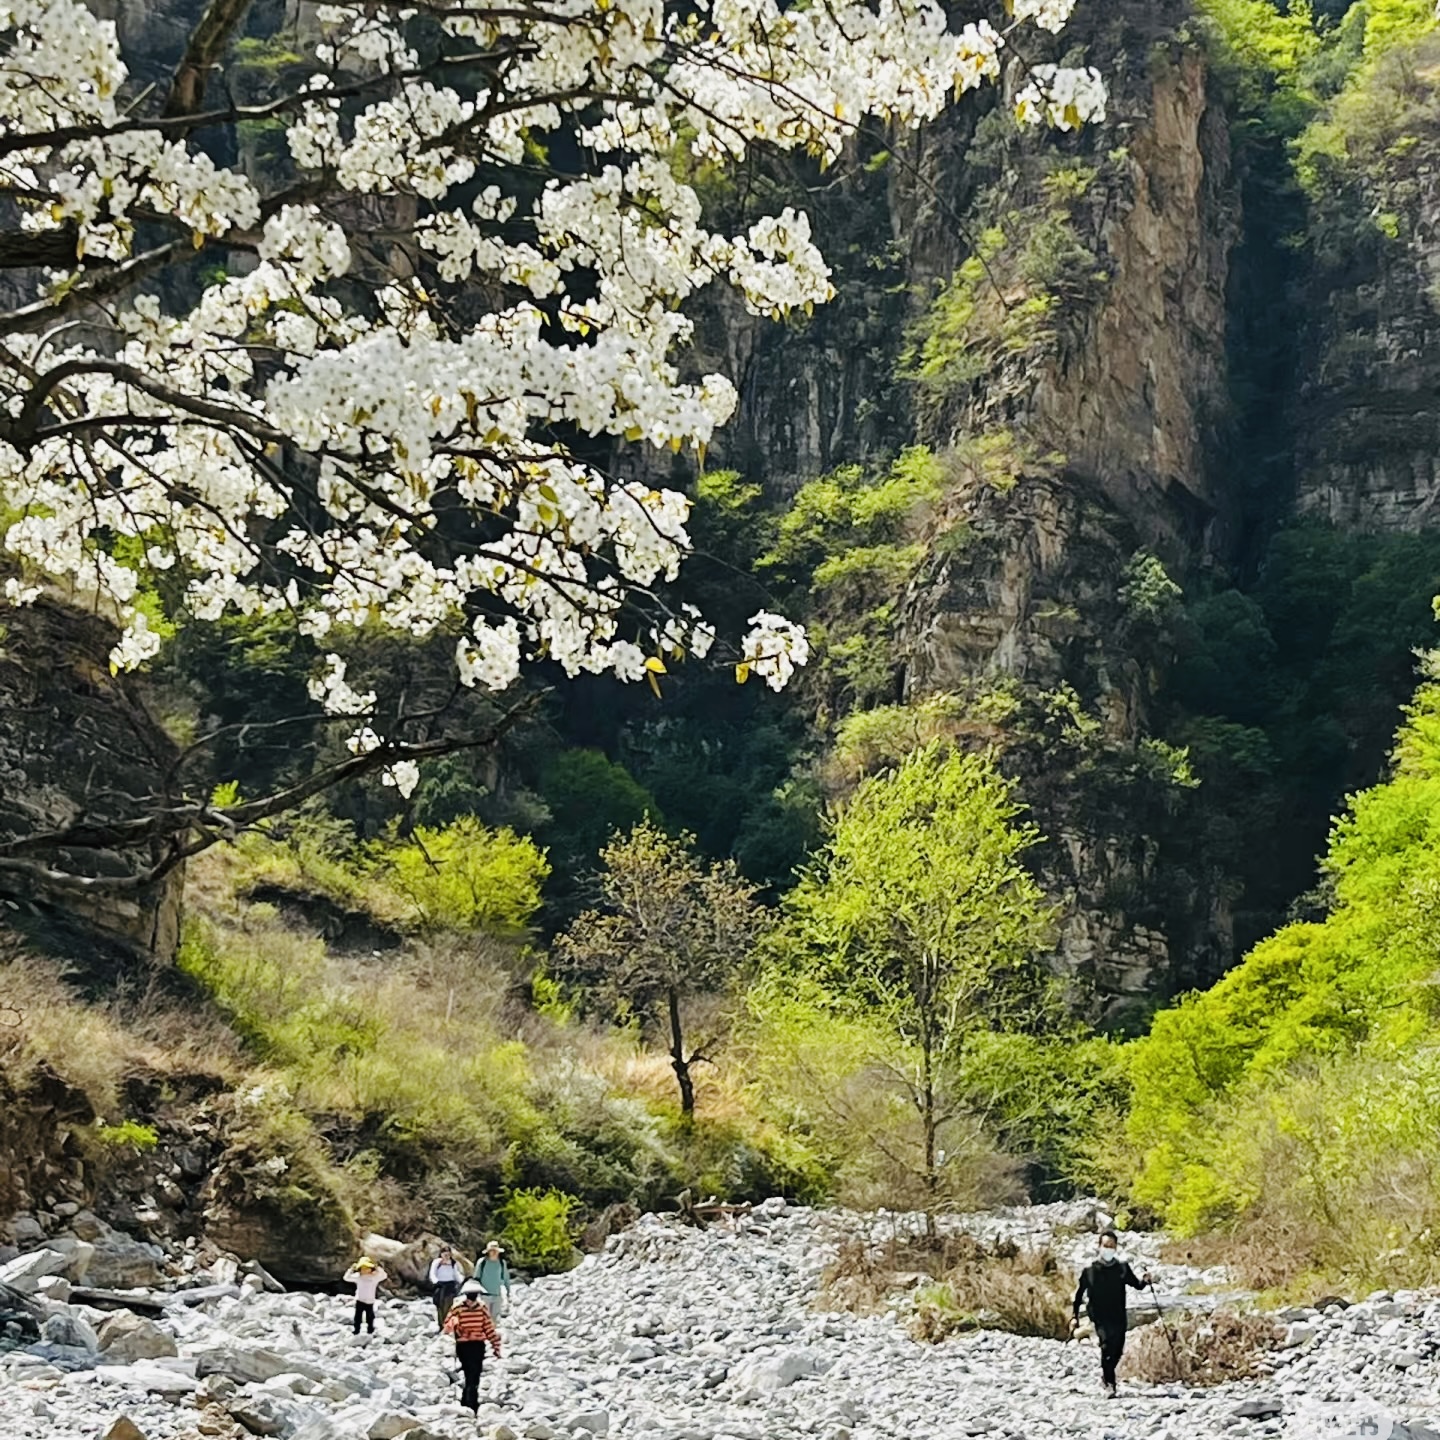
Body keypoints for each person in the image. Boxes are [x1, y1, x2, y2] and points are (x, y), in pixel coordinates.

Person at [1071, 1230, 1151, 1397]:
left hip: (1119, 1315)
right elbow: (1079, 1295)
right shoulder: (1090, 1271)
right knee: (1106, 1346)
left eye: (1112, 1246)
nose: (1108, 1249)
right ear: (1099, 1246)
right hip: (1099, 1316)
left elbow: (1137, 1285)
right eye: (1105, 1245)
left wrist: (1145, 1280)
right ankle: (1110, 1383)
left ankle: (1106, 1374)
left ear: (1116, 1248)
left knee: (1117, 1350)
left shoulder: (1122, 1268)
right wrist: (1074, 1317)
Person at [443, 1278, 502, 1412]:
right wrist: (453, 1323)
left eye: (474, 1295)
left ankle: (468, 1400)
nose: (472, 1298)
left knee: (474, 1373)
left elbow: (488, 1328)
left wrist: (496, 1346)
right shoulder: (458, 1309)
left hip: (477, 1345)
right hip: (465, 1345)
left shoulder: (481, 1309)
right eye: (471, 1295)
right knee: (470, 1372)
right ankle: (471, 1402)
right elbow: (447, 1326)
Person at [343, 1256, 388, 1335]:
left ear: (371, 1269)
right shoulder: (358, 1277)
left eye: (367, 1268)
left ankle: (370, 1329)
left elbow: (384, 1276)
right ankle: (356, 1330)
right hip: (360, 1300)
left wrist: (378, 1268)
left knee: (370, 1316)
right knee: (358, 1317)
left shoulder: (374, 1277)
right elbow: (346, 1278)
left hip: (370, 1301)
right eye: (363, 1268)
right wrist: (351, 1269)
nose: (365, 1270)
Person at [473, 1239, 511, 1321]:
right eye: (492, 1251)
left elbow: (506, 1278)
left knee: (494, 1319)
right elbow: (476, 1278)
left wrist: (508, 1292)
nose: (494, 1252)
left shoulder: (501, 1263)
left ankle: (492, 1333)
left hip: (497, 1295)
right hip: (484, 1295)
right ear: (488, 1252)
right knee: (484, 1318)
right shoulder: (482, 1262)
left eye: (495, 1251)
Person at [428, 1245, 464, 1329]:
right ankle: (441, 1324)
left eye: (448, 1254)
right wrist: (436, 1281)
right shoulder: (437, 1263)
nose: (446, 1256)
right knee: (439, 1306)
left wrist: (462, 1280)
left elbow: (456, 1274)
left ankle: (448, 1324)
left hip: (450, 1286)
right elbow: (432, 1273)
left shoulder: (453, 1263)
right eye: (445, 1254)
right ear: (441, 1254)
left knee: (449, 1306)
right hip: (440, 1286)